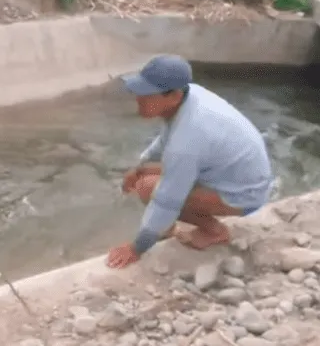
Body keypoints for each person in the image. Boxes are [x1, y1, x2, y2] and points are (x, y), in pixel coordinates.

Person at [106, 55, 274, 269]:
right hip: (231, 174)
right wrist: (139, 167)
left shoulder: (188, 139)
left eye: (147, 95)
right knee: (146, 176)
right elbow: (165, 139)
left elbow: (166, 200)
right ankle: (166, 228)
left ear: (174, 96)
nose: (138, 98)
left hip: (244, 195)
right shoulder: (191, 95)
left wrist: (137, 248)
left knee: (148, 188)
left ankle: (214, 232)